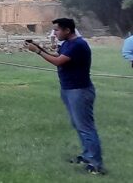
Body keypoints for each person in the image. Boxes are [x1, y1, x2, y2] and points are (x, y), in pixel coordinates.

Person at [25, 18, 105, 175]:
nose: (55, 33)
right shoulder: (68, 44)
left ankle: (96, 164)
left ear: (67, 31)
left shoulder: (78, 45)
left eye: (57, 30)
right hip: (69, 89)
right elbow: (57, 55)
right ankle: (87, 155)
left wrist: (38, 51)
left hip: (79, 91)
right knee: (79, 125)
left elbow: (58, 61)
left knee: (86, 128)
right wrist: (38, 47)